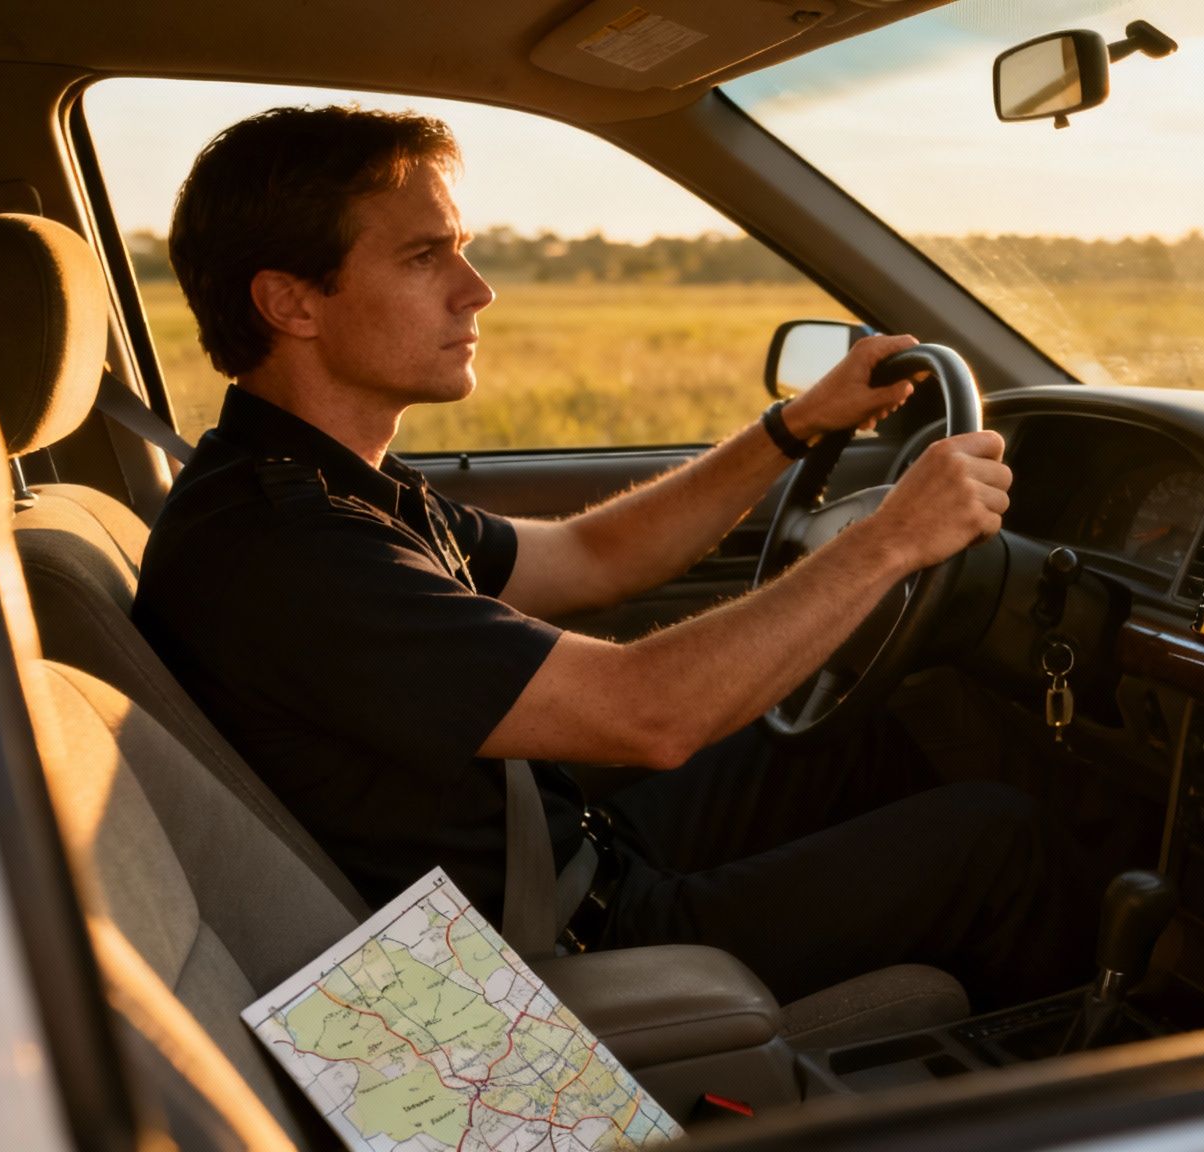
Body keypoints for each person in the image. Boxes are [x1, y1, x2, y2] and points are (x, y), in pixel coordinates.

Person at [131, 105, 1090, 1008]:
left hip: (561, 863)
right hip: (546, 953)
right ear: (291, 303)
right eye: (427, 256)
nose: (478, 288)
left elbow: (591, 558)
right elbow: (649, 716)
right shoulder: (286, 550)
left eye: (460, 247)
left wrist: (791, 429)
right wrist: (891, 540)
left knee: (853, 738)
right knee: (1000, 841)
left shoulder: (326, 483)